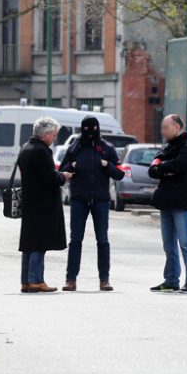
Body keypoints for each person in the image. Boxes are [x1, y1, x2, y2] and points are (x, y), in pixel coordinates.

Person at [59, 115, 125, 292]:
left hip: (101, 200)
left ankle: (104, 279)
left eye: (92, 128)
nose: (89, 132)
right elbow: (61, 172)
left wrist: (107, 165)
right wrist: (71, 165)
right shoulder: (75, 147)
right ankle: (70, 279)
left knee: (102, 240)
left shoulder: (106, 148)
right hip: (79, 199)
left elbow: (120, 173)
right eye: (86, 129)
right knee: (75, 240)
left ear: (97, 128)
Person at [17, 117, 72, 293]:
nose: (55, 138)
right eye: (54, 135)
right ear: (46, 134)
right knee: (39, 243)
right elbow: (49, 177)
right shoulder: (42, 151)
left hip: (30, 202)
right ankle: (36, 280)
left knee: (29, 242)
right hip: (43, 203)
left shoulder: (25, 148)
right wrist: (63, 176)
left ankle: (26, 281)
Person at [148, 114, 187, 294]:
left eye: (165, 128)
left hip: (182, 202)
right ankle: (171, 280)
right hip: (166, 202)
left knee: (185, 243)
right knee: (168, 244)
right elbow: (153, 169)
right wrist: (165, 169)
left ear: (177, 127)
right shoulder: (167, 148)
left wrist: (164, 168)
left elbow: (176, 166)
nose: (162, 131)